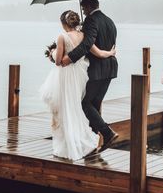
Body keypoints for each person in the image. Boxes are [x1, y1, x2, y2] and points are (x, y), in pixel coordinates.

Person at [40, 10, 115, 161]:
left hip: (66, 76)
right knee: (75, 106)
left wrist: (52, 52)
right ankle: (86, 139)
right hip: (80, 76)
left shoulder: (62, 36)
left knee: (65, 108)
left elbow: (59, 61)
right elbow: (99, 53)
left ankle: (69, 144)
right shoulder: (83, 36)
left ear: (64, 23)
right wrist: (111, 53)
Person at [61, 0, 119, 153]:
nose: (83, 11)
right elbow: (110, 44)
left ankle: (107, 133)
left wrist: (69, 58)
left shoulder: (91, 21)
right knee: (94, 104)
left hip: (97, 70)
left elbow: (87, 44)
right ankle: (92, 142)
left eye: (83, 7)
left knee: (85, 103)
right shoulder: (110, 21)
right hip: (110, 68)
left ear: (88, 6)